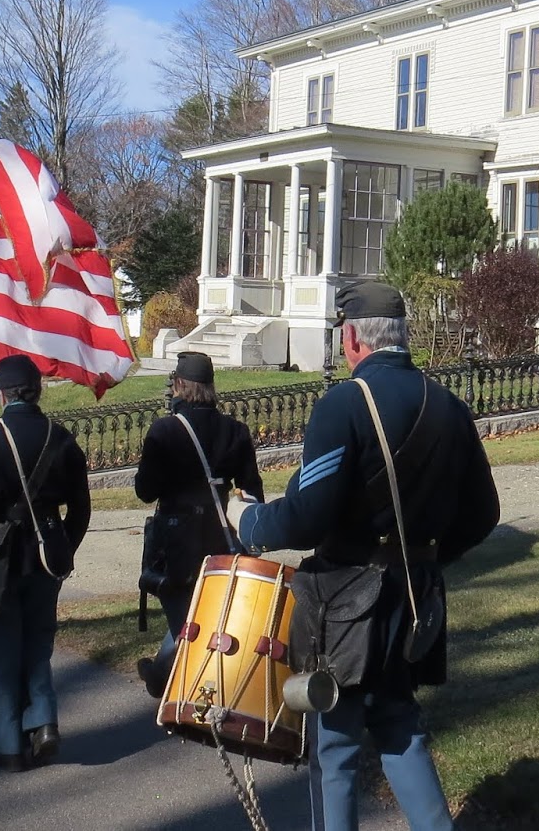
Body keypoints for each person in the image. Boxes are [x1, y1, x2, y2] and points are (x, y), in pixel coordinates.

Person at [229, 282, 500, 831]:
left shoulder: (345, 403)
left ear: (351, 336)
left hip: (346, 603)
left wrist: (248, 521)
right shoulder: (449, 405)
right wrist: (423, 558)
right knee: (400, 727)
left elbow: (307, 517)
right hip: (416, 597)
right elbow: (484, 514)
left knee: (335, 746)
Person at [0, 355, 91, 772]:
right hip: (47, 551)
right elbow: (81, 507)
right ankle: (44, 721)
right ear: (38, 390)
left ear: (1, 393)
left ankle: (9, 747)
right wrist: (65, 548)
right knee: (38, 643)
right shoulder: (61, 437)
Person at [132, 351, 264, 698]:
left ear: (178, 384)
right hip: (222, 539)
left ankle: (176, 684)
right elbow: (252, 491)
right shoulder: (235, 430)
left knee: (186, 624)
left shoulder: (165, 430)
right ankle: (162, 674)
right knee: (200, 616)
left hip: (176, 542)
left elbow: (145, 491)